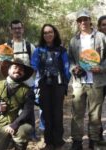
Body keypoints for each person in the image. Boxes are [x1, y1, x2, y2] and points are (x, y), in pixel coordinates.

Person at [69, 9, 106, 150]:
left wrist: (101, 68)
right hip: (79, 82)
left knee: (95, 115)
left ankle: (94, 141)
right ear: (77, 23)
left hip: (96, 81)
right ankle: (77, 142)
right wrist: (74, 69)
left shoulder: (101, 37)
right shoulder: (74, 40)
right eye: (80, 20)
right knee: (77, 114)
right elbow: (71, 60)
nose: (83, 22)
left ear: (90, 20)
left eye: (85, 19)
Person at [31, 24, 71, 150]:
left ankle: (58, 141)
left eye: (50, 32)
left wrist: (65, 83)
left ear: (55, 33)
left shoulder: (61, 50)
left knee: (57, 113)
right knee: (46, 113)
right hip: (44, 84)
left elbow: (66, 68)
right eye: (45, 32)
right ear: (43, 35)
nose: (48, 34)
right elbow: (34, 66)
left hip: (58, 84)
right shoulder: (38, 50)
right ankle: (48, 141)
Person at [0, 58, 35, 150]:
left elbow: (27, 110)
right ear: (9, 69)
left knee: (24, 130)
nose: (18, 70)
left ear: (23, 74)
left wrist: (14, 124)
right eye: (15, 67)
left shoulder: (28, 91)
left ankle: (19, 145)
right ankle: (9, 142)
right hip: (0, 126)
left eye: (21, 69)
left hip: (19, 124)